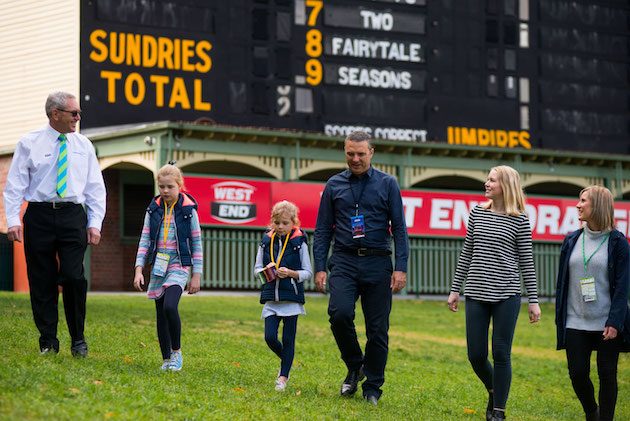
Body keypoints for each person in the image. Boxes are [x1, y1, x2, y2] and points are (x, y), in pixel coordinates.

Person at [3, 92, 106, 357]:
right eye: (74, 113)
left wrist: (95, 222)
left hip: (73, 216)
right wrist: (12, 220)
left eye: (79, 113)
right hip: (38, 216)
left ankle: (78, 339)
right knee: (42, 279)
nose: (78, 118)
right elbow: (14, 186)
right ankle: (48, 340)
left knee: (73, 277)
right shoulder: (29, 143)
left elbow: (96, 188)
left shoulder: (84, 145)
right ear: (55, 113)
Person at [313, 130, 409, 406]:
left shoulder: (388, 184)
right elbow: (322, 230)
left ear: (371, 153)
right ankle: (356, 365)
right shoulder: (333, 185)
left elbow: (400, 229)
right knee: (339, 314)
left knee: (377, 329)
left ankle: (373, 387)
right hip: (343, 260)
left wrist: (400, 267)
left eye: (360, 154)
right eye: (350, 153)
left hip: (378, 262)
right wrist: (320, 266)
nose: (355, 159)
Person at [447, 165, 541, 421]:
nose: (486, 183)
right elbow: (467, 252)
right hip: (476, 292)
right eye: (487, 179)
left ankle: (499, 410)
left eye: (492, 180)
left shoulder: (520, 218)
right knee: (476, 355)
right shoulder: (477, 213)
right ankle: (493, 389)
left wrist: (533, 301)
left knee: (501, 353)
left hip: (507, 295)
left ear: (505, 186)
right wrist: (455, 289)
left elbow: (526, 262)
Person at [555, 186, 630, 421]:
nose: (578, 205)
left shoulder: (618, 243)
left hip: (607, 323)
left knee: (607, 373)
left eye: (583, 200)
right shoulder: (572, 240)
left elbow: (623, 287)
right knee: (577, 373)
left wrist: (615, 321)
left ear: (597, 205)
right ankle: (592, 412)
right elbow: (562, 282)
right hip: (575, 319)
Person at [133, 163, 202, 371]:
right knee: (160, 313)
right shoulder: (153, 209)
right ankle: (166, 359)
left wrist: (196, 275)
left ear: (179, 186)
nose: (165, 191)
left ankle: (177, 352)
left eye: (170, 187)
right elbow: (144, 240)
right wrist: (138, 269)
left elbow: (197, 244)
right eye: (161, 187)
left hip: (179, 266)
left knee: (170, 306)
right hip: (158, 267)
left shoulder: (188, 211)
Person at [254, 200, 312, 392]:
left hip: (292, 299)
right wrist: (266, 270)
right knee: (270, 337)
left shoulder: (299, 243)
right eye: (277, 222)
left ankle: (283, 376)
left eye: (285, 223)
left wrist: (291, 273)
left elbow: (307, 272)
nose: (280, 227)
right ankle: (287, 359)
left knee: (289, 340)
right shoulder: (265, 241)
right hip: (271, 298)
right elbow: (256, 269)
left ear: (293, 223)